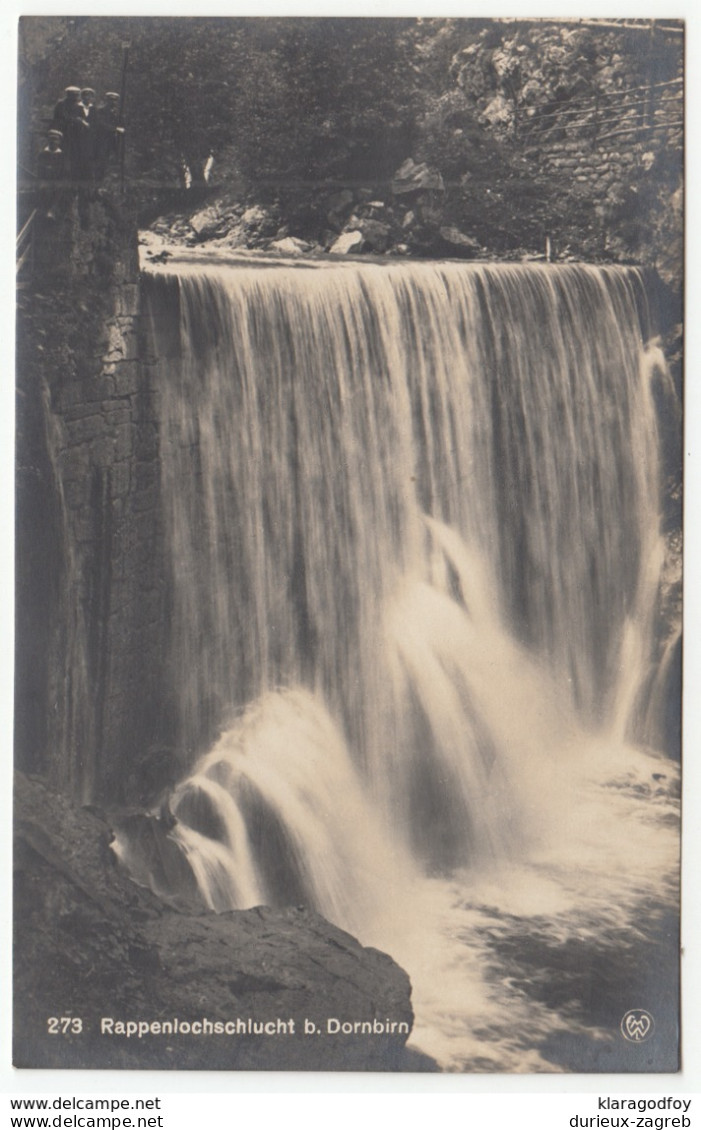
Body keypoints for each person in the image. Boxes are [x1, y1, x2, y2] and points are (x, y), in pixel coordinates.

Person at [52, 85, 89, 180]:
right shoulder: (61, 104)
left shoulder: (79, 106)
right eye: (73, 95)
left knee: (75, 156)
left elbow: (83, 118)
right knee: (63, 155)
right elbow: (64, 117)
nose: (76, 97)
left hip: (76, 135)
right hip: (63, 134)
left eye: (77, 95)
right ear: (68, 95)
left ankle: (74, 176)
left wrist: (81, 121)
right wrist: (77, 120)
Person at [94, 91, 124, 178]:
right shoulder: (101, 110)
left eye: (115, 100)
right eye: (111, 100)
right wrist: (115, 129)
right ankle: (98, 180)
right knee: (101, 160)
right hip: (102, 139)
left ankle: (107, 179)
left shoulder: (118, 112)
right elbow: (101, 124)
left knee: (112, 160)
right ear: (107, 100)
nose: (113, 102)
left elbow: (121, 124)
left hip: (114, 139)